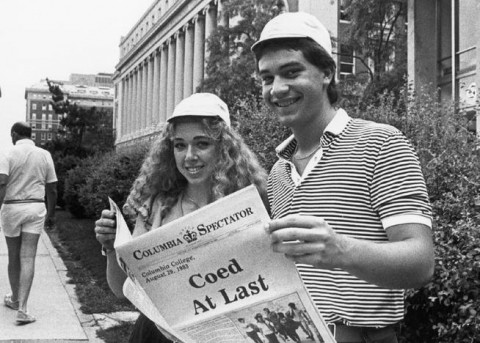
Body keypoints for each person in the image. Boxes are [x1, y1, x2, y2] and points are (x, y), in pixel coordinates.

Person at [251, 12, 434, 343]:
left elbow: (421, 263)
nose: (277, 89)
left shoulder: (381, 142)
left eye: (292, 72)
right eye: (267, 78)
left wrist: (339, 249)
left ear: (326, 73)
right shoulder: (279, 171)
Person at [94, 93, 268, 342]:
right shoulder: (156, 206)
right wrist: (110, 249)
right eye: (180, 145)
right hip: (157, 335)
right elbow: (121, 290)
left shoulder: (247, 204)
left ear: (224, 147)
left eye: (202, 143)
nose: (189, 156)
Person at [0, 122, 57, 324]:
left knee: (13, 256)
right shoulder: (44, 154)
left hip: (12, 208)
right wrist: (50, 213)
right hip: (35, 207)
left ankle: (14, 299)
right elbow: (52, 188)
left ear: (15, 134)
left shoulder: (7, 154)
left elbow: (2, 183)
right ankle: (23, 309)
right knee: (28, 257)